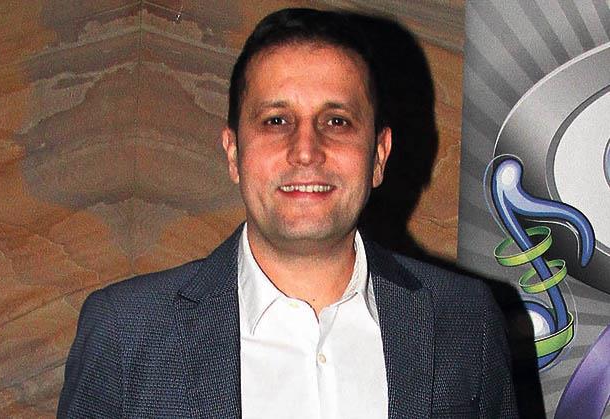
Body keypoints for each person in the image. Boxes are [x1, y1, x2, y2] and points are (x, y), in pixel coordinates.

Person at [58, 8, 517, 419]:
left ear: (378, 155)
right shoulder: (125, 333)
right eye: (276, 120)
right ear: (234, 153)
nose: (305, 151)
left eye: (336, 121)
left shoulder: (465, 319)